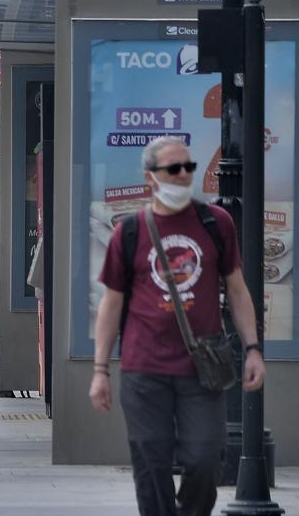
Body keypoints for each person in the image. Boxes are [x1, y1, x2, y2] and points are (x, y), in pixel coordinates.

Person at [89, 135, 266, 516]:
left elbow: (236, 289)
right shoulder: (130, 231)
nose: (184, 175)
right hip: (144, 370)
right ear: (151, 177)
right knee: (150, 464)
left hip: (201, 369)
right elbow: (111, 302)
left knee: (205, 460)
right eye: (174, 169)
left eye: (189, 167)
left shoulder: (216, 222)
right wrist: (100, 369)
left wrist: (253, 349)